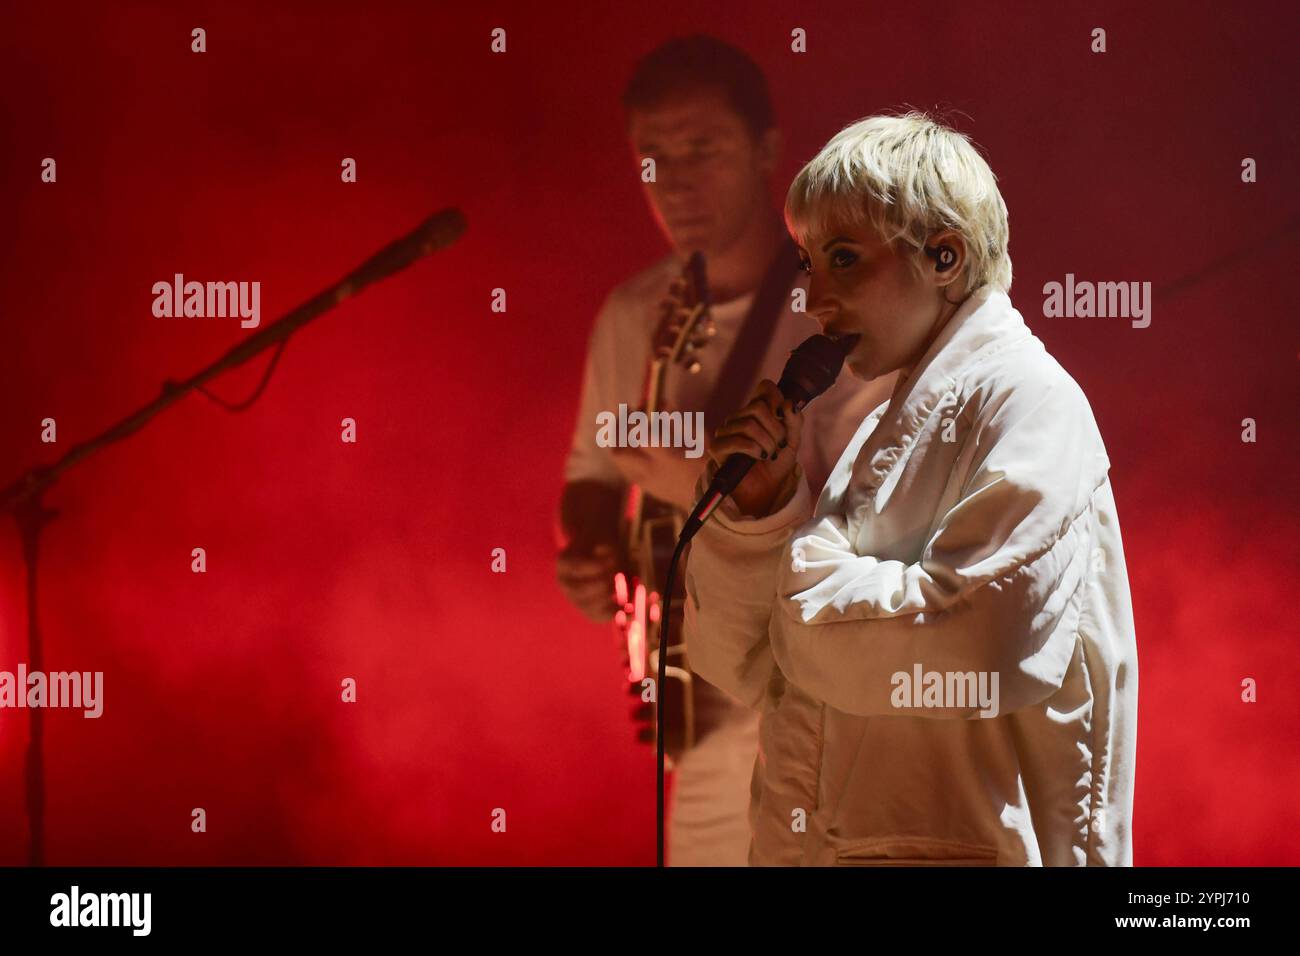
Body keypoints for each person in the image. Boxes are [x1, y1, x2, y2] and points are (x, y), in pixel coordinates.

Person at [682, 112, 1139, 866]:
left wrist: (802, 573)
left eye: (844, 258)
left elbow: (977, 646)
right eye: (808, 266)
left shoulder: (1033, 403)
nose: (816, 299)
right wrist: (765, 514)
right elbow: (759, 671)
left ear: (945, 256)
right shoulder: (883, 429)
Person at [555, 36, 896, 867]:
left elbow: (874, 516)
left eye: (703, 148)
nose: (674, 180)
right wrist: (588, 549)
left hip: (813, 693)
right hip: (697, 717)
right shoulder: (632, 315)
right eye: (653, 155)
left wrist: (692, 474)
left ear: (769, 152)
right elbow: (589, 478)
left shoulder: (835, 309)